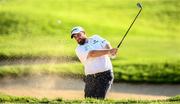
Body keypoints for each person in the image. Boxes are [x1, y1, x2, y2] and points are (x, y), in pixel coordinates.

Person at [71, 26, 118, 99]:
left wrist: (111, 51)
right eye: (75, 37)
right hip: (90, 78)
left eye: (79, 35)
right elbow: (92, 53)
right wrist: (108, 51)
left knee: (99, 99)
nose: (77, 38)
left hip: (105, 75)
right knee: (88, 100)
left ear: (84, 33)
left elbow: (106, 44)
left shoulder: (96, 37)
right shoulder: (79, 49)